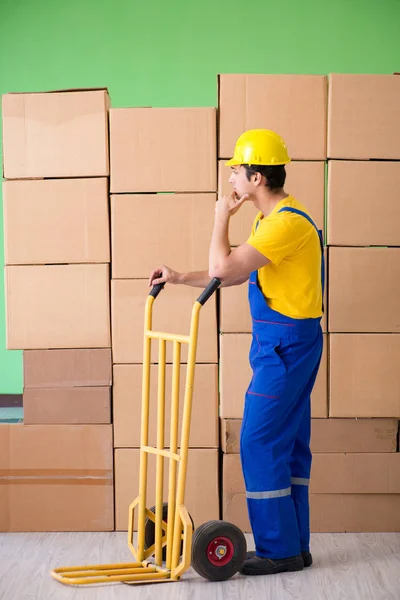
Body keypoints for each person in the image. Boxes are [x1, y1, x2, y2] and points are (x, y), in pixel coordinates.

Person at [149, 129, 324, 576]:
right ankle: (295, 547)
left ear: (257, 178)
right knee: (287, 444)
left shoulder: (286, 223)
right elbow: (229, 274)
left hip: (284, 347)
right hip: (286, 344)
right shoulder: (272, 221)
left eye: (236, 169)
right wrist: (178, 276)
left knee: (259, 440)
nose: (230, 175)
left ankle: (277, 549)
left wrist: (218, 217)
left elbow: (222, 265)